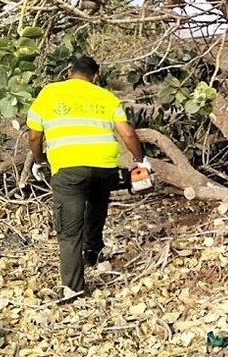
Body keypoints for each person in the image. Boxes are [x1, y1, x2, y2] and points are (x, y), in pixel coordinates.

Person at [26, 56, 151, 302]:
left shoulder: (49, 93)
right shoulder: (105, 96)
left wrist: (40, 161)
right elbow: (127, 132)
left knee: (69, 231)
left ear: (69, 71)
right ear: (96, 76)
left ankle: (73, 289)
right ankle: (92, 252)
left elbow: (34, 137)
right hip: (104, 168)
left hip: (69, 170)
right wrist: (141, 161)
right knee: (96, 206)